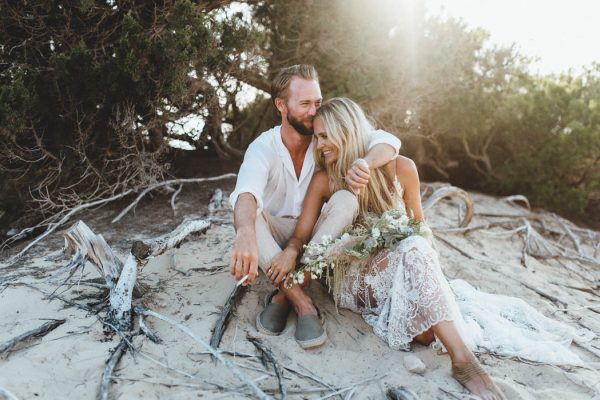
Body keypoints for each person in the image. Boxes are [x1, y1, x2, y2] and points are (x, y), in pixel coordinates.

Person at [267, 97, 506, 400]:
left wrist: (432, 273)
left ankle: (463, 360)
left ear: (348, 132)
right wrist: (290, 251)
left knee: (424, 312)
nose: (320, 145)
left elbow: (421, 225)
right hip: (356, 278)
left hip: (402, 261)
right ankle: (462, 359)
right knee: (423, 319)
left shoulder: (402, 169)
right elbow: (301, 236)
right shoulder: (325, 180)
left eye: (326, 135)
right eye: (317, 137)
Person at [228, 65, 401, 349]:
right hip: (276, 239)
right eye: (305, 103)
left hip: (319, 237)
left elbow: (387, 140)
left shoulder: (325, 137)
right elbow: (246, 192)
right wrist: (244, 231)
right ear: (281, 105)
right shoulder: (263, 148)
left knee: (346, 199)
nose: (313, 111)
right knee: (245, 211)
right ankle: (301, 300)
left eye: (317, 103)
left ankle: (282, 295)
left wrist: (365, 162)